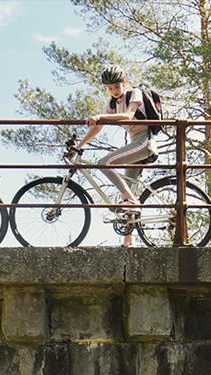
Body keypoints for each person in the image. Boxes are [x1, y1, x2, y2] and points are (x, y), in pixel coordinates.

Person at [72, 68, 158, 244]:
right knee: (128, 193)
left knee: (104, 163)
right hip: (134, 142)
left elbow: (128, 116)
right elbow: (98, 126)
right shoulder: (112, 102)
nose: (114, 91)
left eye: (117, 86)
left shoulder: (135, 93)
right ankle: (129, 242)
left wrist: (100, 116)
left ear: (124, 83)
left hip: (143, 142)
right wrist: (79, 146)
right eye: (110, 88)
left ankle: (131, 199)